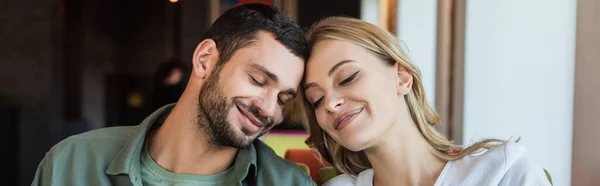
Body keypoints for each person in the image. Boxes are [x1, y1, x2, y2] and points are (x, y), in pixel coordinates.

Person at [32, 3, 315, 186]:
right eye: (257, 79)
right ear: (205, 59)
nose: (268, 109)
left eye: (282, 99)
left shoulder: (289, 183)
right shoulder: (69, 165)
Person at [300, 16, 551, 186]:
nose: (330, 104)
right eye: (317, 99)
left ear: (401, 78)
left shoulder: (501, 173)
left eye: (347, 78)